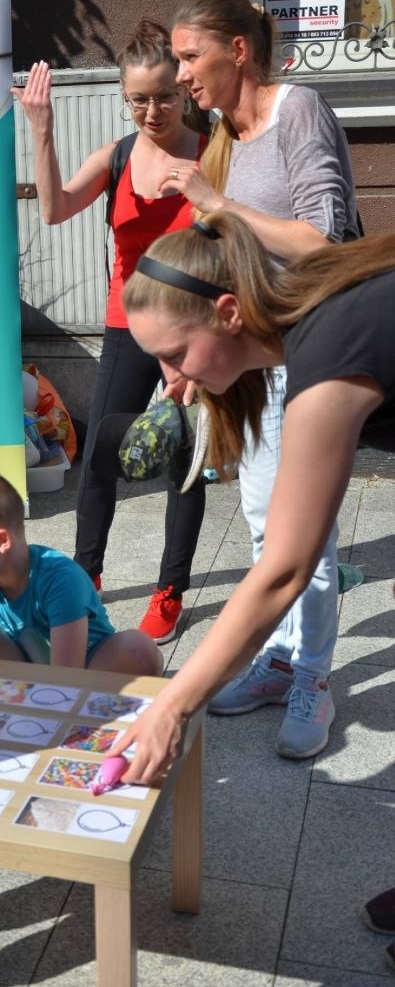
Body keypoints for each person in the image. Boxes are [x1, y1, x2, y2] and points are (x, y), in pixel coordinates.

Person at [106, 212, 395, 788]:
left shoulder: (326, 359)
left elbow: (285, 570)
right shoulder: (313, 310)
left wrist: (173, 705)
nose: (170, 381)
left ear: (229, 313)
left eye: (176, 353)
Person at [159, 0, 358, 758]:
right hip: (246, 359)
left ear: (235, 50)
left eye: (188, 57)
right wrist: (187, 358)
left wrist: (216, 203)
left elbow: (323, 239)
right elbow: (224, 261)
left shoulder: (295, 110)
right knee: (255, 523)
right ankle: (279, 660)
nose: (181, 76)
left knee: (300, 530)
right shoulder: (222, 135)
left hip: (308, 350)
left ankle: (314, 676)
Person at [12, 20, 210, 645]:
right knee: (99, 452)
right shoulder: (120, 155)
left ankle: (170, 590)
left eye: (164, 96)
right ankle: (85, 578)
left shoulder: (214, 152)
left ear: (184, 90)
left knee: (186, 460)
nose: (152, 110)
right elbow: (53, 207)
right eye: (138, 99)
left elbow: (234, 246)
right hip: (128, 323)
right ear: (125, 97)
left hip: (197, 331)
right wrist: (40, 130)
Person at [0, 468, 163, 675]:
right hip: (28, 678)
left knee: (139, 650)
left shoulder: (60, 579)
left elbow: (65, 676)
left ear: (1, 540)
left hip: (87, 670)